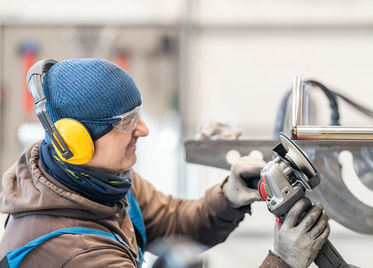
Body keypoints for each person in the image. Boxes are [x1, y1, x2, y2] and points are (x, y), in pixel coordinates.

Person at [0, 58, 329, 268]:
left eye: (138, 117)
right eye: (126, 124)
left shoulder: (100, 183)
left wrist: (227, 198)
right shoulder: (75, 253)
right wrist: (283, 261)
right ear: (76, 144)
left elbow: (174, 222)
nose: (143, 130)